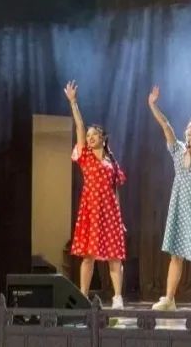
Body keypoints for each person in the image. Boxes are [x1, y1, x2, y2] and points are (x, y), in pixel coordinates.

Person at [147, 85, 191, 311]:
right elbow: (166, 125)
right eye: (187, 127)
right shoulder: (178, 150)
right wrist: (153, 104)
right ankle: (169, 299)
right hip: (179, 205)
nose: (188, 130)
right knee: (175, 255)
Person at [63, 80, 126, 309]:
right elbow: (79, 127)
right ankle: (83, 297)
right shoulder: (85, 156)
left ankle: (117, 298)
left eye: (94, 135)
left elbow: (115, 190)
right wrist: (73, 103)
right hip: (90, 209)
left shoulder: (112, 162)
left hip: (110, 213)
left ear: (103, 138)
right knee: (88, 256)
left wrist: (119, 218)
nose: (89, 138)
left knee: (114, 257)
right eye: (88, 136)